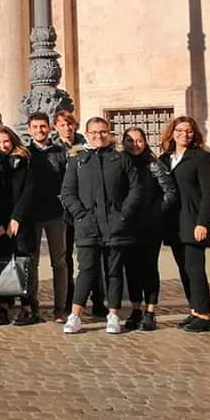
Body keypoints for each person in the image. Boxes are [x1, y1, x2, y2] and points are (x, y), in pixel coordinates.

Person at [60, 116, 142, 335]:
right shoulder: (77, 159)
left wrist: (123, 214)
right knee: (86, 271)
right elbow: (67, 192)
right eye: (94, 133)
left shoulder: (120, 158)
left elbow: (135, 188)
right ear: (87, 134)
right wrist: (80, 214)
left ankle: (113, 314)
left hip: (115, 226)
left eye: (103, 132)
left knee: (114, 272)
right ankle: (75, 315)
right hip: (87, 225)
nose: (99, 136)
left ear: (109, 133)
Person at [160, 115, 210, 332]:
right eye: (180, 130)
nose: (185, 134)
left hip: (193, 221)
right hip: (174, 224)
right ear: (172, 133)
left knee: (195, 270)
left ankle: (205, 316)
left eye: (189, 131)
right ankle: (194, 311)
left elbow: (208, 193)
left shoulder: (202, 158)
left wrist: (202, 222)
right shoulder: (166, 159)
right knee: (183, 269)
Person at [122, 127, 178, 332]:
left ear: (145, 142)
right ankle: (135, 309)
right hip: (127, 226)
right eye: (130, 141)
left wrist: (155, 214)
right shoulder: (120, 163)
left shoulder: (154, 164)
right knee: (132, 270)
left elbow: (169, 192)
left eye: (138, 140)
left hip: (150, 227)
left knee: (149, 269)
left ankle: (150, 311)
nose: (134, 145)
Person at [0, 126, 35, 326]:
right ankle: (2, 306)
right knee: (0, 264)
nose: (3, 146)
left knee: (22, 263)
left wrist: (16, 218)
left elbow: (29, 191)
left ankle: (27, 307)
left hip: (20, 222)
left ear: (12, 141)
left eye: (6, 142)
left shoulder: (24, 162)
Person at [25, 112, 72, 323]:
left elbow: (68, 181)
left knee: (59, 263)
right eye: (35, 127)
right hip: (32, 216)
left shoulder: (60, 152)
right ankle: (32, 306)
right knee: (31, 262)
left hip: (55, 215)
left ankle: (60, 308)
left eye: (43, 126)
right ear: (29, 129)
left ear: (49, 128)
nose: (39, 131)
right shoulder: (25, 153)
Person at [54, 109, 97, 313]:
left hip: (85, 207)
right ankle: (70, 301)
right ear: (56, 127)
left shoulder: (86, 146)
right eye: (62, 124)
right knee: (66, 258)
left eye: (69, 124)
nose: (67, 128)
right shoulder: (54, 148)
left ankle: (98, 299)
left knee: (91, 255)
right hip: (63, 210)